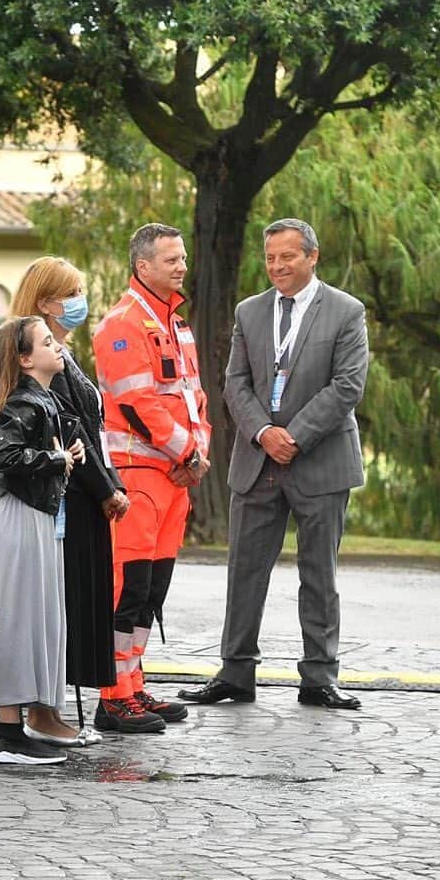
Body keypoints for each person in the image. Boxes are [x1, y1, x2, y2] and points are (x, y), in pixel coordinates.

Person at [178, 219, 368, 711]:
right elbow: (234, 383)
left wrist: (296, 437)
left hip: (321, 462)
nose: (277, 267)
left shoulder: (346, 312)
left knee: (319, 574)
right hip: (257, 460)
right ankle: (235, 674)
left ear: (312, 256)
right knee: (244, 572)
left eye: (288, 257)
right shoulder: (250, 311)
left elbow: (347, 386)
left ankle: (320, 677)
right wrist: (265, 433)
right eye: (270, 258)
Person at [91, 224, 210, 732]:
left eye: (181, 258)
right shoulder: (122, 325)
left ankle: (134, 685)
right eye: (170, 260)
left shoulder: (177, 326)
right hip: (139, 475)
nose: (181, 266)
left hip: (174, 479)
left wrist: (198, 451)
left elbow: (194, 399)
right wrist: (188, 450)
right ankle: (113, 696)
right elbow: (137, 405)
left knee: (152, 591)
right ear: (143, 266)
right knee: (128, 589)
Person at [11, 258, 130, 699]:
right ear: (46, 302)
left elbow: (92, 426)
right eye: (73, 293)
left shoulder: (66, 353)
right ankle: (52, 702)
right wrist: (105, 488)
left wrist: (112, 482)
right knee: (67, 603)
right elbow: (70, 426)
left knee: (84, 602)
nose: (81, 301)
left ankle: (66, 698)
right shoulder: (41, 359)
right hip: (71, 493)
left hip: (90, 486)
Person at [0, 315, 92, 763]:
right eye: (46, 341)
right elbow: (6, 457)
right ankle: (9, 730)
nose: (56, 346)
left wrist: (63, 456)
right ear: (25, 359)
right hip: (22, 517)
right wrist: (55, 457)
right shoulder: (24, 402)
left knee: (39, 619)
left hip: (36, 517)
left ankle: (29, 718)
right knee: (23, 621)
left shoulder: (37, 399)